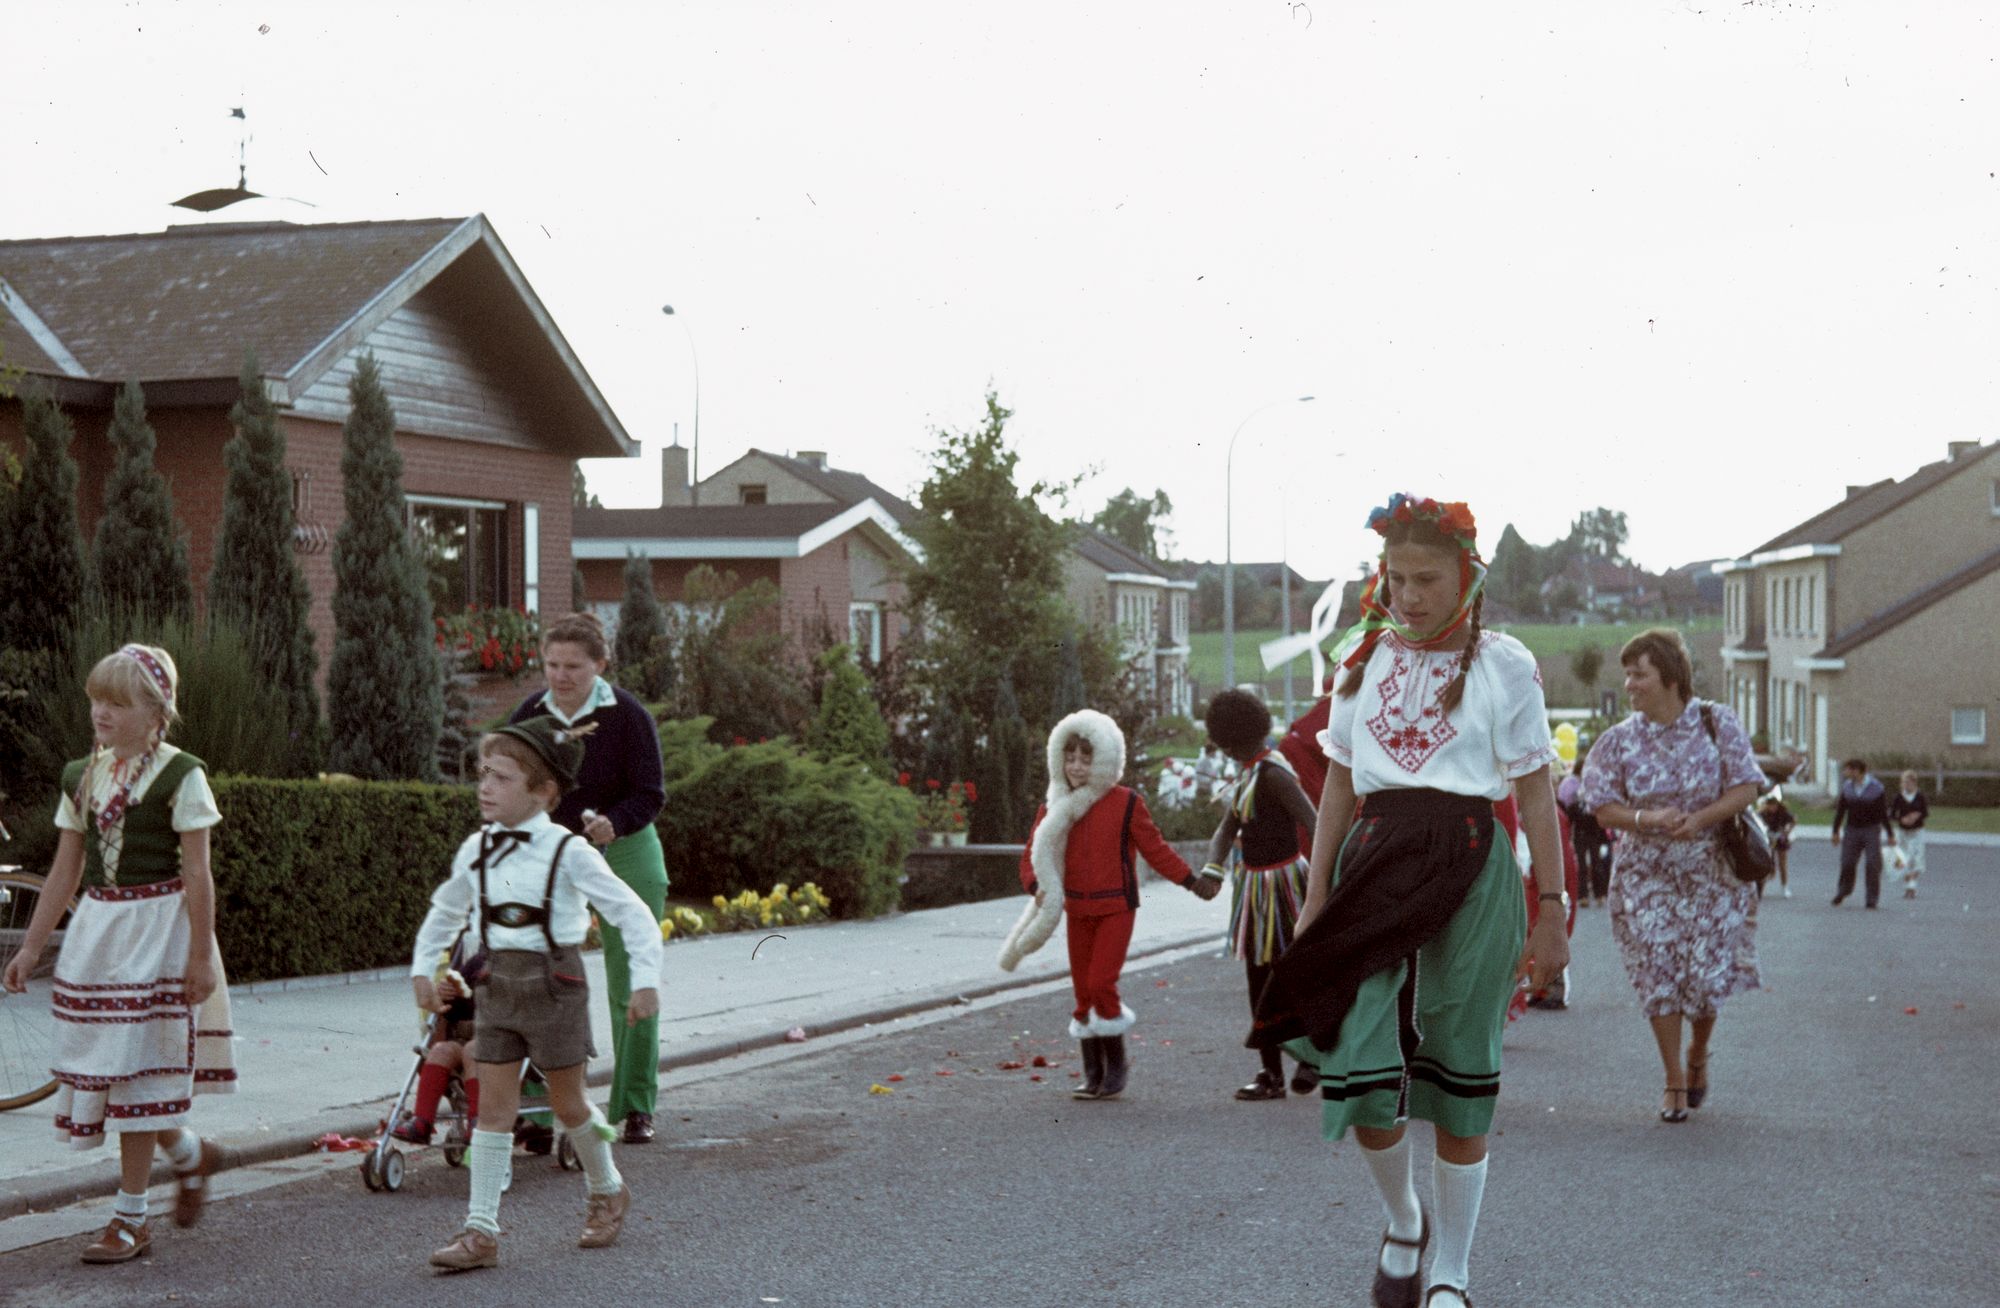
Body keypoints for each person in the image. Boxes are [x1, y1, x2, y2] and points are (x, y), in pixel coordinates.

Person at [1249, 494, 1567, 1308]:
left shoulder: (1506, 666)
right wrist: (1316, 896)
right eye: (1397, 579)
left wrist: (1553, 908)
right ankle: (1403, 1218)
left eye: (1428, 578)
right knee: (1357, 1063)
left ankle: (1452, 1275)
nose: (1410, 596)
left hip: (1470, 866)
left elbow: (1533, 792)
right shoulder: (1361, 657)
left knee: (1462, 1070)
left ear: (1467, 577)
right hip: (1375, 862)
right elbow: (1343, 787)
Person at [1, 645, 234, 1264]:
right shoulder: (83, 774)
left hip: (159, 933)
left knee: (137, 1077)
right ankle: (191, 1156)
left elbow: (199, 874)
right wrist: (31, 946)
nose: (100, 712)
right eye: (96, 699)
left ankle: (130, 1218)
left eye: (117, 702)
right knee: (116, 1070)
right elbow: (65, 869)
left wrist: (200, 960)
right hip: (100, 936)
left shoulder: (183, 774)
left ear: (155, 713)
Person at [412, 717, 665, 1272]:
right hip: (496, 986)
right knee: (494, 1112)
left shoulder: (568, 851)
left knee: (567, 1103)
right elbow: (447, 911)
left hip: (557, 985)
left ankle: (607, 1188)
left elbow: (632, 913)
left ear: (544, 791)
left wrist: (645, 980)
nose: (484, 787)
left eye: (501, 778)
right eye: (483, 774)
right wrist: (424, 969)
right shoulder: (475, 849)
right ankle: (481, 1232)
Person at [1581, 628, 1763, 1126]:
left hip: (1712, 873)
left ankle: (1698, 1052)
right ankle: (1673, 1079)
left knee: (1704, 979)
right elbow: (1600, 807)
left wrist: (1700, 818)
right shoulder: (1618, 741)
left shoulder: (1716, 722)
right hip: (1647, 876)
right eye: (1629, 674)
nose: (1630, 684)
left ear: (1670, 676)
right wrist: (1648, 820)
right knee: (1659, 971)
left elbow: (1747, 786)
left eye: (1639, 673)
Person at [998, 708, 1222, 1100]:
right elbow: (1034, 853)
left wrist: (1192, 882)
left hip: (1116, 906)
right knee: (1084, 990)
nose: (1077, 766)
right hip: (1077, 910)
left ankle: (1116, 1066)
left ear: (1104, 759)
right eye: (1070, 757)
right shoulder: (1055, 805)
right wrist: (1034, 884)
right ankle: (1092, 1071)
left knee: (1102, 982)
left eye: (1086, 758)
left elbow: (1156, 850)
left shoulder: (1126, 803)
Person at [510, 612, 667, 1144]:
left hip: (623, 850)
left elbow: (650, 793)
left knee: (633, 980)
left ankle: (636, 1105)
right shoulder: (531, 713)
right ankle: (533, 1114)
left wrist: (614, 823)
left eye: (573, 666)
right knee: (533, 979)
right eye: (552, 664)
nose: (560, 675)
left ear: (599, 665)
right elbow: (505, 780)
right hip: (552, 857)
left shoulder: (628, 715)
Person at [1201, 689, 1318, 1100]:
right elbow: (1225, 831)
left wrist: (1326, 878)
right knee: (1258, 979)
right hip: (1254, 891)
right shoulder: (1249, 776)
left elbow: (1314, 823)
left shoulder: (1274, 775)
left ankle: (1312, 1057)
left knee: (1292, 974)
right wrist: (1213, 870)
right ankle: (1272, 1074)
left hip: (1286, 888)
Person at [391, 936, 489, 1145]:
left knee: (473, 1050)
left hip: (502, 1037)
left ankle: (477, 1123)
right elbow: (450, 1006)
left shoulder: (528, 963)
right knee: (440, 1051)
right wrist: (443, 993)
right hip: (467, 1032)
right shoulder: (477, 963)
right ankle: (422, 1122)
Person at [1829, 758, 1894, 909]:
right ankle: (1843, 891)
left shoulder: (1876, 788)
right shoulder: (1847, 788)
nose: (1845, 773)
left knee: (1872, 864)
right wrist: (1835, 831)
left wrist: (1890, 834)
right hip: (1852, 830)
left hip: (1871, 829)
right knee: (1847, 862)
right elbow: (1841, 811)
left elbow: (1883, 813)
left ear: (1856, 771)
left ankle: (1872, 898)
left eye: (1848, 770)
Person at [1558, 743, 1610, 907]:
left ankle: (1600, 894)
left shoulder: (1594, 782)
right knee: (1581, 864)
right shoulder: (1570, 784)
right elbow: (1566, 807)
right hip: (1580, 829)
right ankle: (1583, 896)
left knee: (1596, 863)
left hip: (1593, 828)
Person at [1888, 770, 1930, 900]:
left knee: (1918, 858)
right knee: (1903, 858)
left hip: (1917, 831)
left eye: (1908, 782)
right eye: (1903, 782)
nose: (1905, 785)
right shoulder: (1899, 797)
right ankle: (1909, 886)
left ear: (1914, 783)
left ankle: (1911, 885)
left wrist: (1916, 815)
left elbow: (1925, 812)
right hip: (1903, 832)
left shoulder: (1920, 796)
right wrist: (1901, 819)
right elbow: (1891, 814)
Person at [1758, 792, 1797, 898]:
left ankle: (1785, 887)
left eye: (1774, 804)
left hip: (1780, 838)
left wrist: (1787, 831)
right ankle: (1761, 888)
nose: (1772, 807)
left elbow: (1794, 820)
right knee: (1766, 862)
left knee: (1782, 863)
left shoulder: (1783, 812)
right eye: (1769, 804)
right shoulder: (1762, 814)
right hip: (1769, 838)